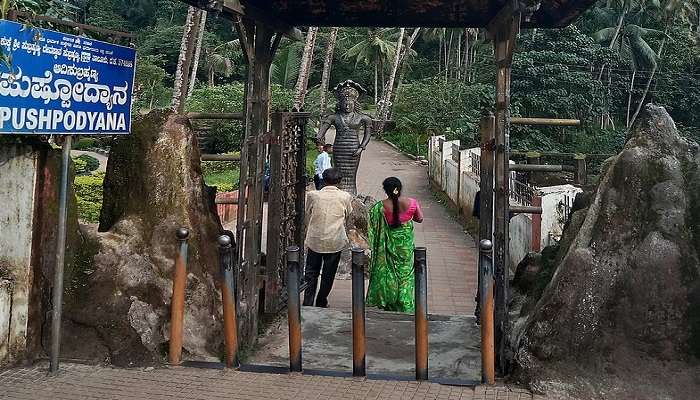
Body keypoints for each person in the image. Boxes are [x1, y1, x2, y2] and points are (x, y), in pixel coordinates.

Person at [366, 177, 424, 312]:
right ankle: (405, 303)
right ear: (400, 188)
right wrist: (408, 216)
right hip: (405, 248)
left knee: (390, 272)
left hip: (387, 247)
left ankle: (390, 301)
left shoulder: (380, 207)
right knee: (406, 275)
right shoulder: (412, 203)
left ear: (385, 190)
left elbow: (372, 227)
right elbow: (420, 218)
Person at [303, 167, 353, 307]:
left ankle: (308, 302)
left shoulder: (313, 195)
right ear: (340, 181)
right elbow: (348, 216)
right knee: (328, 274)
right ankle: (321, 300)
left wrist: (310, 228)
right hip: (335, 240)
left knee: (311, 272)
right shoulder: (345, 196)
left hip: (315, 239)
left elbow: (307, 215)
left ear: (323, 181)